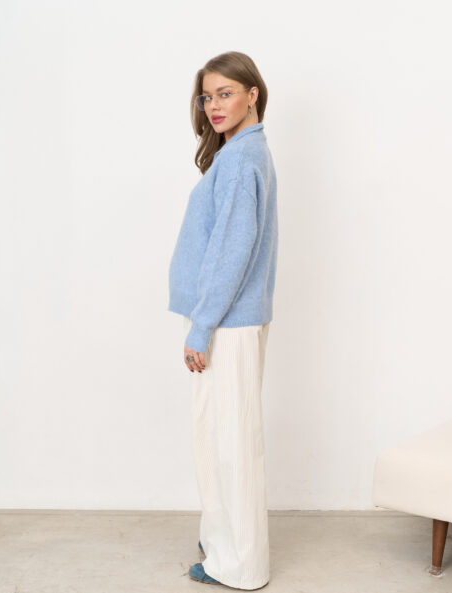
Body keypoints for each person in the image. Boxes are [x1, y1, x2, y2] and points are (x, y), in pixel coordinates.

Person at [167, 50, 278, 590]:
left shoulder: (238, 160)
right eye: (207, 97)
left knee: (227, 444)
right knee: (224, 439)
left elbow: (230, 253)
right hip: (233, 320)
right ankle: (223, 542)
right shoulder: (246, 151)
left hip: (227, 324)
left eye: (226, 93)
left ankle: (238, 565)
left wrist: (201, 325)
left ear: (252, 94)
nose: (214, 105)